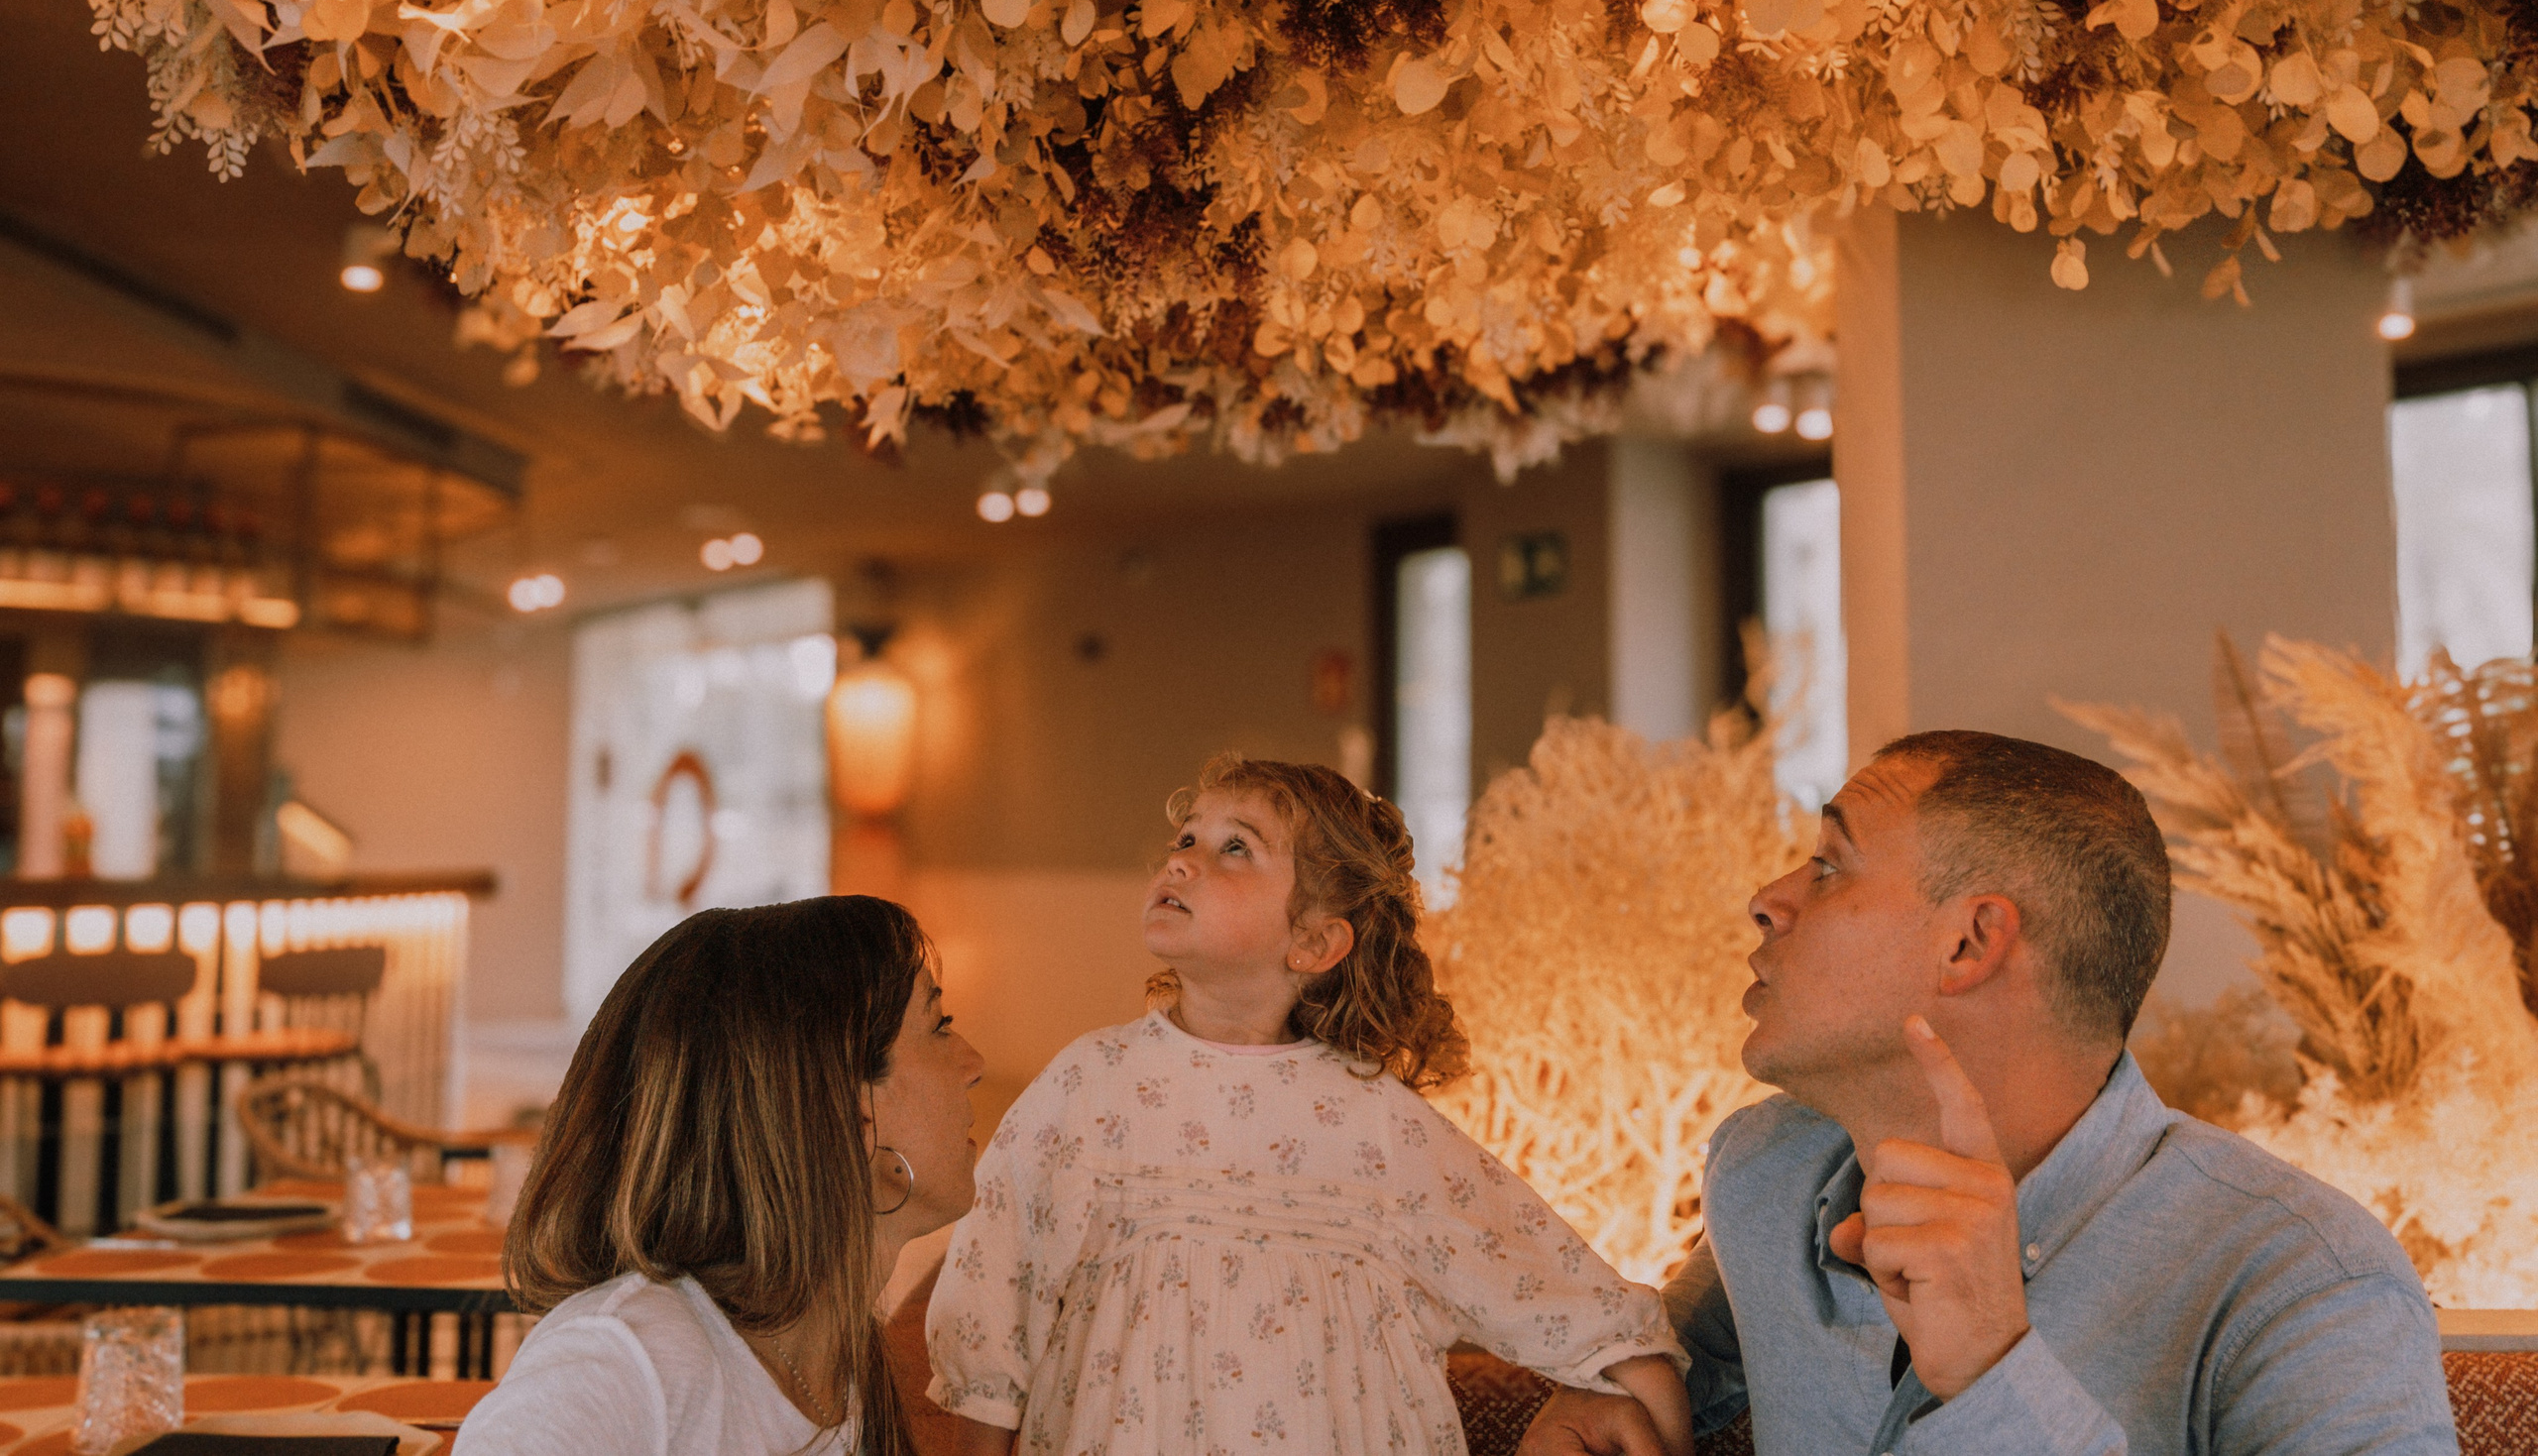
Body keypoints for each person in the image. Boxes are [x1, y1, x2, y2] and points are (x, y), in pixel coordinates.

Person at [1520, 730, 2459, 1456]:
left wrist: (1992, 1369)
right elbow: (1687, 1342)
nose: (1769, 897)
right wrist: (1613, 1380)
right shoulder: (1766, 1170)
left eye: (1829, 865)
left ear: (1969, 942)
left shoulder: (2309, 1282)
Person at [927, 756, 1695, 1456]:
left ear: (1316, 943)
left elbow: (1545, 1279)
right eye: (1186, 836)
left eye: (1235, 847)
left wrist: (1638, 1373)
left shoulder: (1376, 1123)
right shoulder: (1091, 1083)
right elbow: (991, 1298)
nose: (1181, 858)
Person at [457, 895, 984, 1456]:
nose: (974, 1064)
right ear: (849, 1109)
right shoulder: (626, 1362)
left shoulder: (841, 1365)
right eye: (940, 1026)